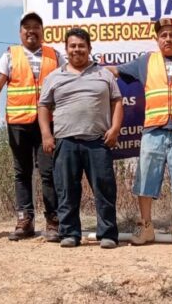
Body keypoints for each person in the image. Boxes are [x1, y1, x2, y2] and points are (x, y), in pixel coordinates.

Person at [107, 18, 172, 247]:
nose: (168, 39)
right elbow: (115, 71)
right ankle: (145, 227)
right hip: (153, 130)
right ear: (157, 40)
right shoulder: (145, 61)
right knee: (145, 178)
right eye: (163, 35)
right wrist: (88, 70)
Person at [39, 28, 123, 249]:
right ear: (66, 49)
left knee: (105, 189)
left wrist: (114, 129)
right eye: (73, 46)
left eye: (81, 45)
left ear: (89, 48)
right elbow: (44, 106)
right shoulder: (54, 77)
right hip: (65, 141)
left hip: (97, 141)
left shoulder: (103, 74)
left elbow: (117, 101)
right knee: (66, 189)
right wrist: (47, 134)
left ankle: (108, 234)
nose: (77, 49)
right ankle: (70, 233)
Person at [0, 11, 63, 241]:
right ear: (20, 32)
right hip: (18, 123)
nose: (31, 31)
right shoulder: (10, 55)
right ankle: (25, 220)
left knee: (49, 172)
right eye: (26, 27)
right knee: (22, 173)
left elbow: (68, 82)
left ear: (43, 31)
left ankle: (53, 222)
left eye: (36, 27)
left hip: (47, 124)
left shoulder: (56, 55)